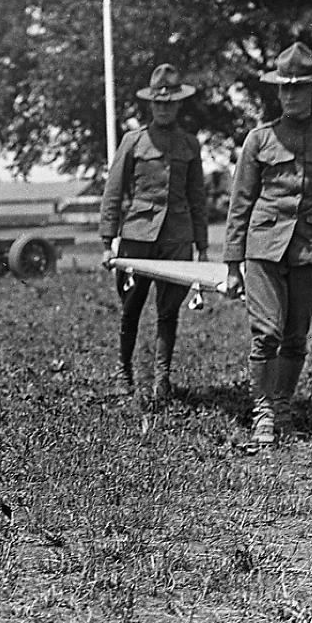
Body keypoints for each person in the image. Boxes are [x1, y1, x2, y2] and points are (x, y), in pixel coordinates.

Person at [223, 42, 312, 446]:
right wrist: (232, 264)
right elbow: (240, 203)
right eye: (286, 88)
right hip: (263, 247)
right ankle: (263, 413)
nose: (292, 95)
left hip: (309, 249)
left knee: (296, 336)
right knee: (266, 332)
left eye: (300, 88)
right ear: (278, 92)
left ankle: (282, 407)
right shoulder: (259, 140)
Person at [99, 63, 209, 400]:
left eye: (170, 103)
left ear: (179, 105)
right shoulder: (133, 142)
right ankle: (123, 373)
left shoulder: (189, 144)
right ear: (151, 104)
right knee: (131, 308)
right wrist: (108, 242)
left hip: (177, 238)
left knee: (168, 311)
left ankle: (162, 379)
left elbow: (197, 198)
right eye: (159, 103)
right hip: (137, 236)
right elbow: (114, 193)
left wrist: (202, 247)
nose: (164, 109)